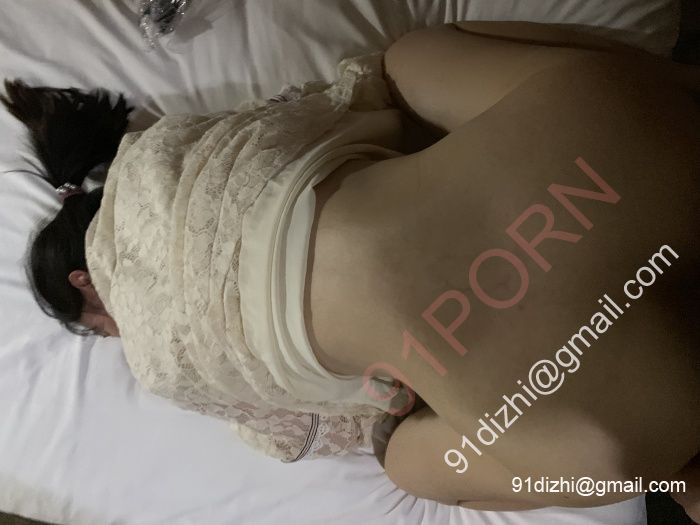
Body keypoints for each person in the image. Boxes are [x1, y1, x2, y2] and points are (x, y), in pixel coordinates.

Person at [3, 21, 699, 515]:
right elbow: (341, 104)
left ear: (84, 283)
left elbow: (322, 421)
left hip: (596, 420)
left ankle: (681, 473)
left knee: (405, 460)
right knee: (408, 60)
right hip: (620, 121)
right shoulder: (157, 154)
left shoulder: (156, 364)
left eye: (100, 328)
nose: (114, 335)